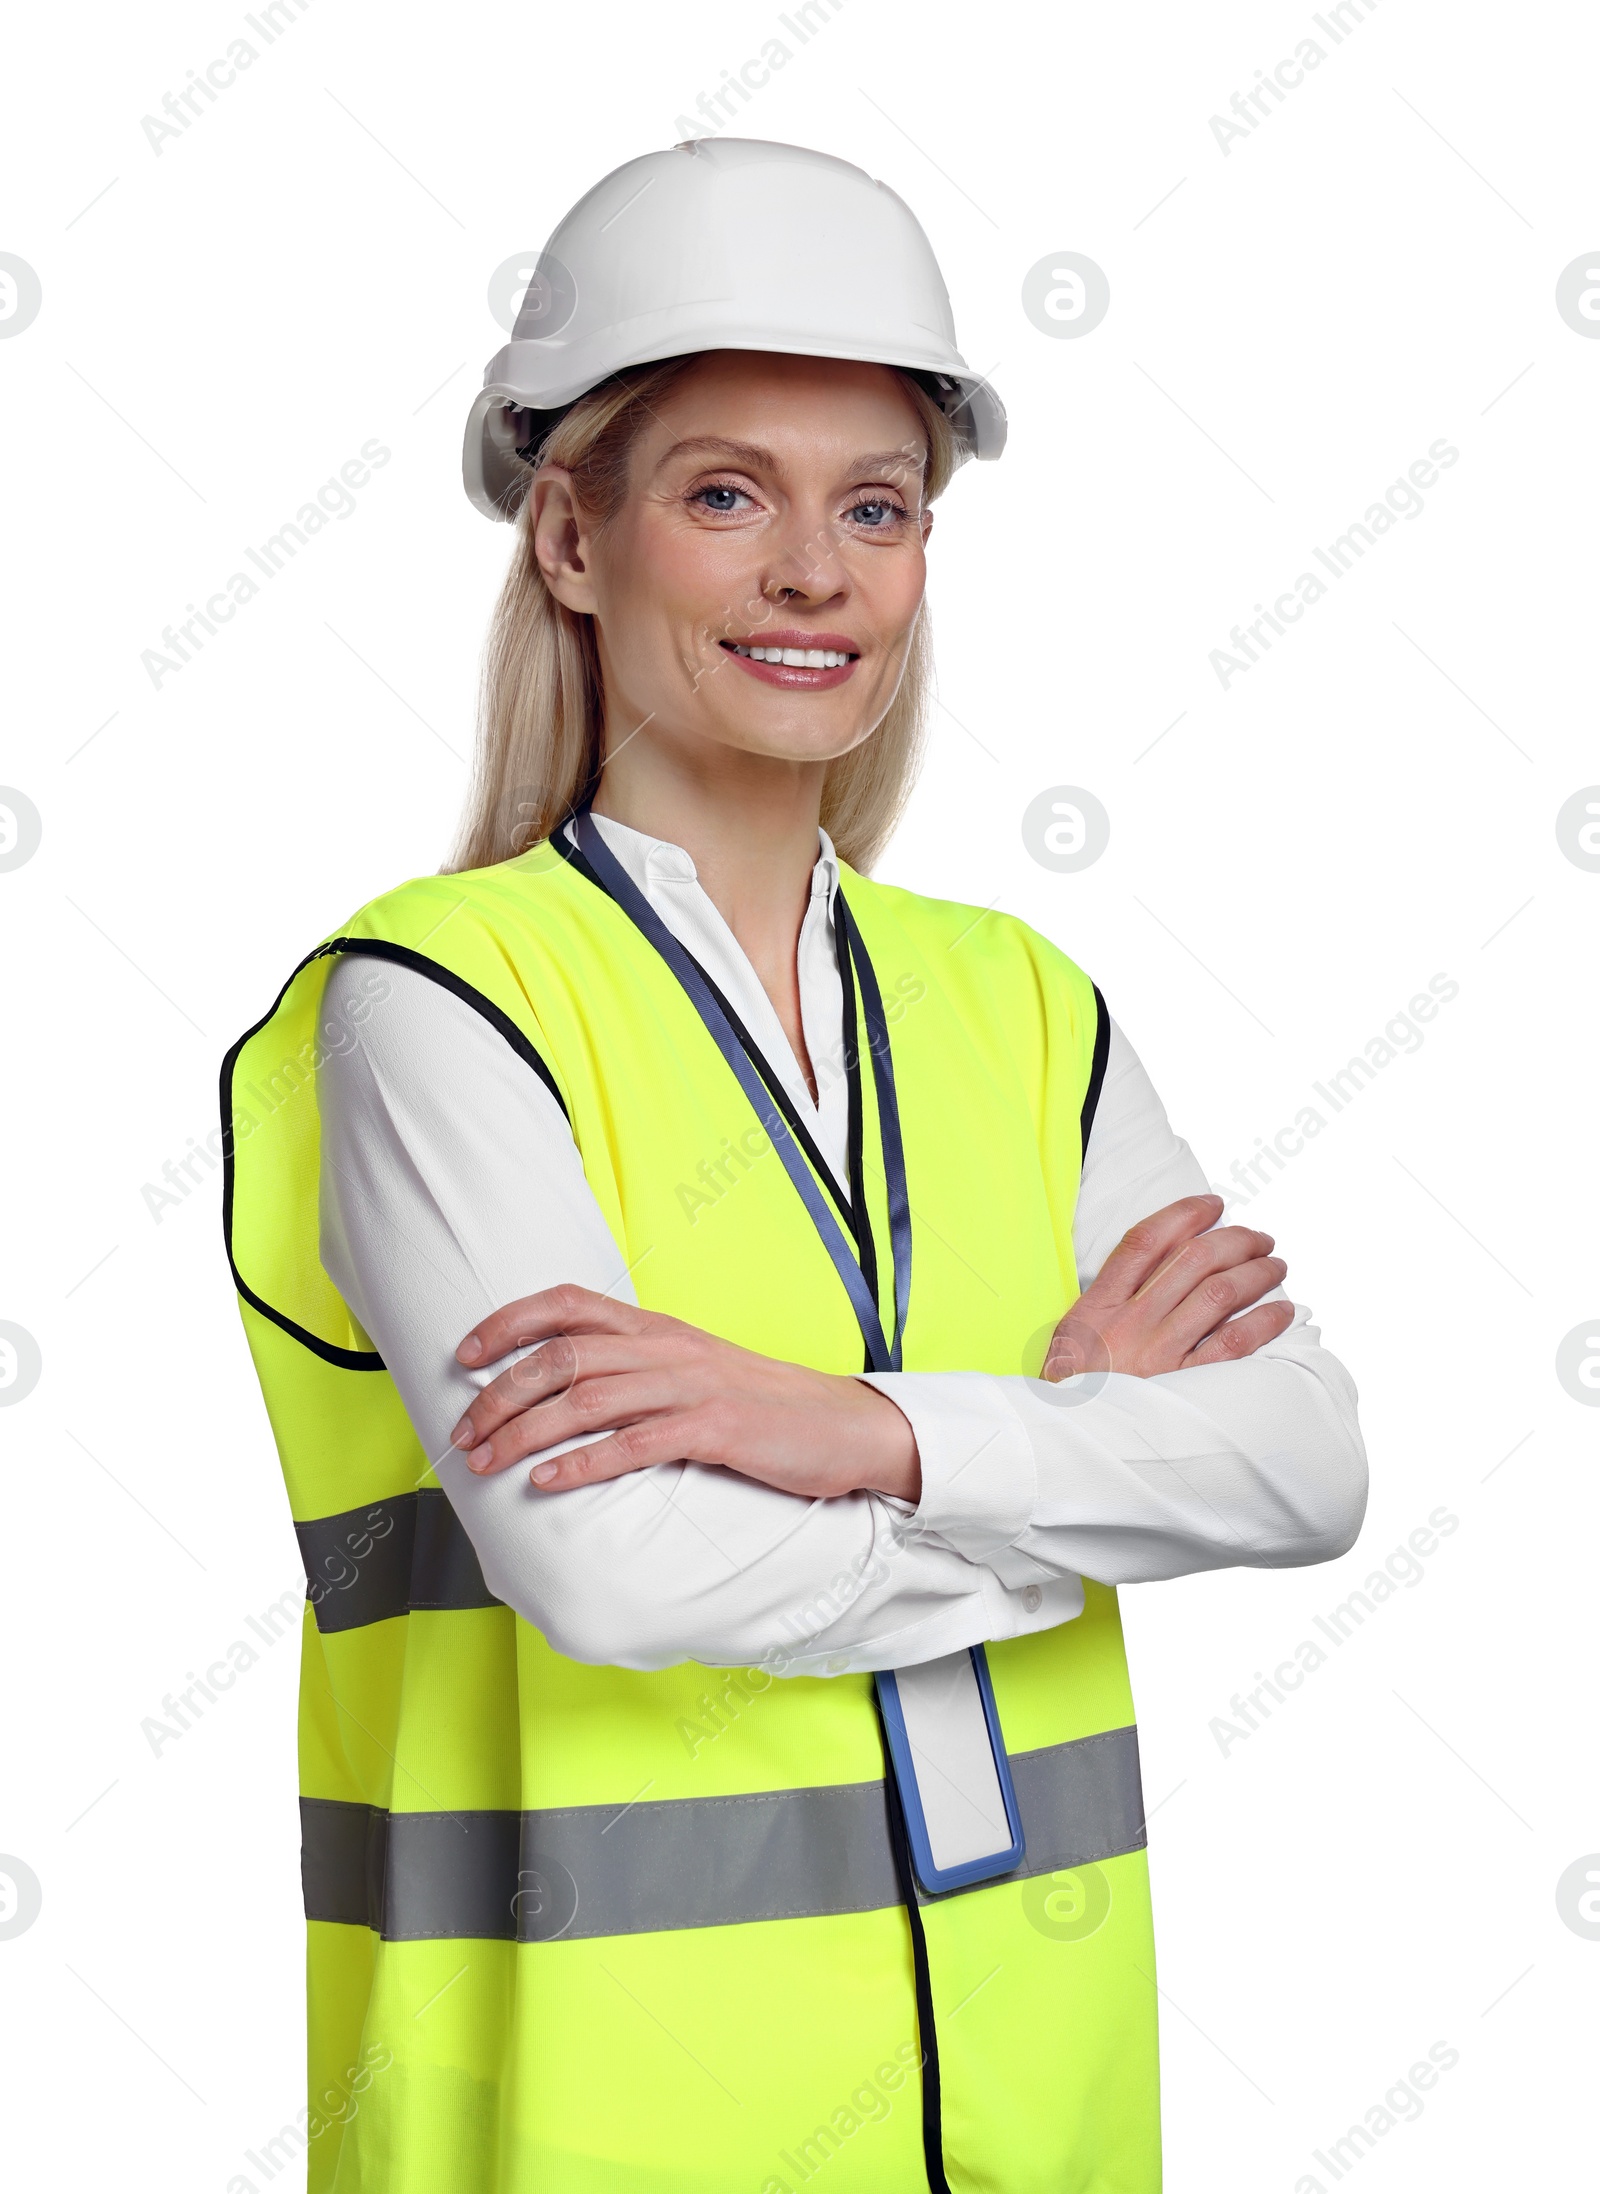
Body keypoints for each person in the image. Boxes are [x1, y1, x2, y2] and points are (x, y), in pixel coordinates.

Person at [222, 137, 1367, 2194]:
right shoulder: (435, 1001)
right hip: (594, 2127)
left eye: (876, 508)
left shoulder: (1015, 1002)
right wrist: (1076, 1466)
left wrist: (849, 1431)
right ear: (570, 537)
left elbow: (1299, 1466)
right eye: (724, 493)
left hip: (1038, 2119)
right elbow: (613, 1567)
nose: (814, 575)